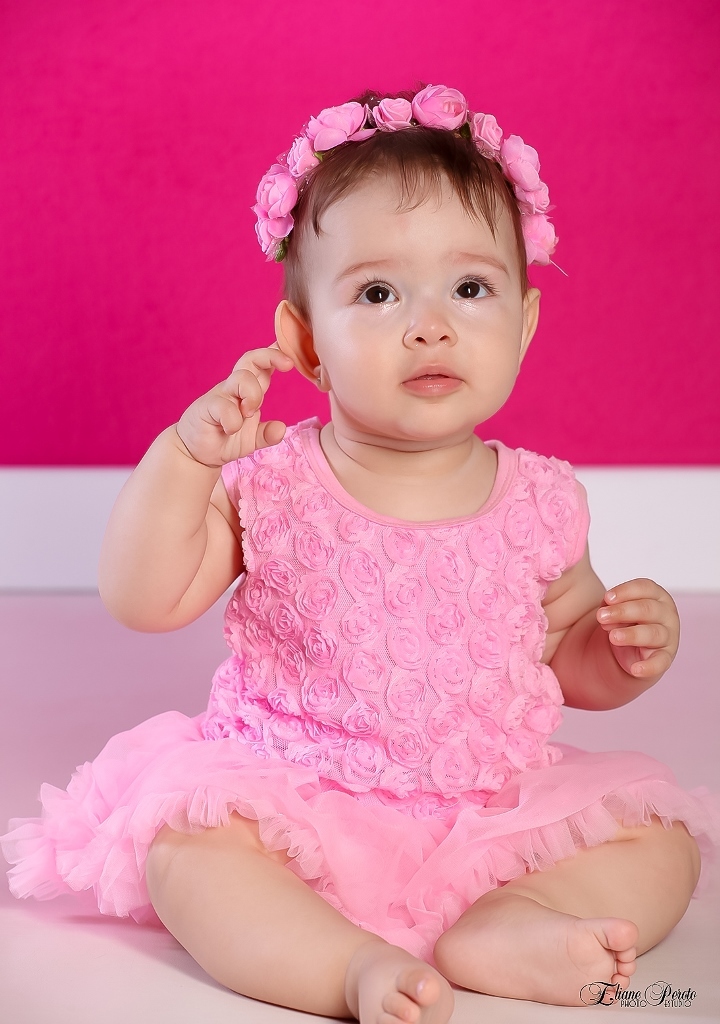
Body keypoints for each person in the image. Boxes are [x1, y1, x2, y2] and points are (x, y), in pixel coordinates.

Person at [2, 84, 718, 1024]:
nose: (431, 323)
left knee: (663, 841)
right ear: (306, 343)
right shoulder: (272, 483)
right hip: (294, 808)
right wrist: (184, 459)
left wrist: (621, 650)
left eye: (471, 288)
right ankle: (343, 967)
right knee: (186, 848)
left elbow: (564, 656)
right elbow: (144, 597)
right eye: (378, 294)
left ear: (526, 324)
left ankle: (510, 922)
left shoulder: (543, 500)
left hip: (485, 811)